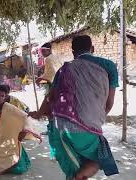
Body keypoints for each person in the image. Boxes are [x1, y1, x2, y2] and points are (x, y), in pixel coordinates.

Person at [29, 35, 119, 180]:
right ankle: (79, 176)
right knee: (100, 157)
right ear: (92, 49)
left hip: (61, 129)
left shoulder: (65, 69)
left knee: (75, 162)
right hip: (88, 127)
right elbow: (109, 103)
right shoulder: (108, 66)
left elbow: (49, 98)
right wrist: (94, 121)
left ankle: (78, 175)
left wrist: (39, 113)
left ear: (72, 51)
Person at [0, 85, 41, 175]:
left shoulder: (9, 108)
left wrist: (29, 118)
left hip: (9, 139)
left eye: (2, 96)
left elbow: (23, 116)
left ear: (5, 97)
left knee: (19, 169)